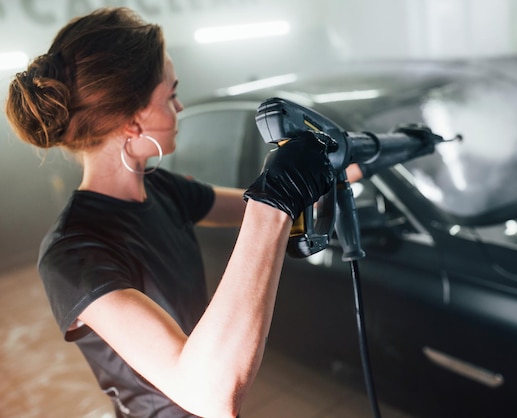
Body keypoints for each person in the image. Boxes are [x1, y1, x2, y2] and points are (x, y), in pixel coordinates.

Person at [5, 7, 334, 418]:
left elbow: (243, 203)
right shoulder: (72, 253)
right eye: (169, 95)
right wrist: (276, 203)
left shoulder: (161, 187)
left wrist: (340, 160)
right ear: (131, 121)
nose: (179, 108)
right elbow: (209, 394)